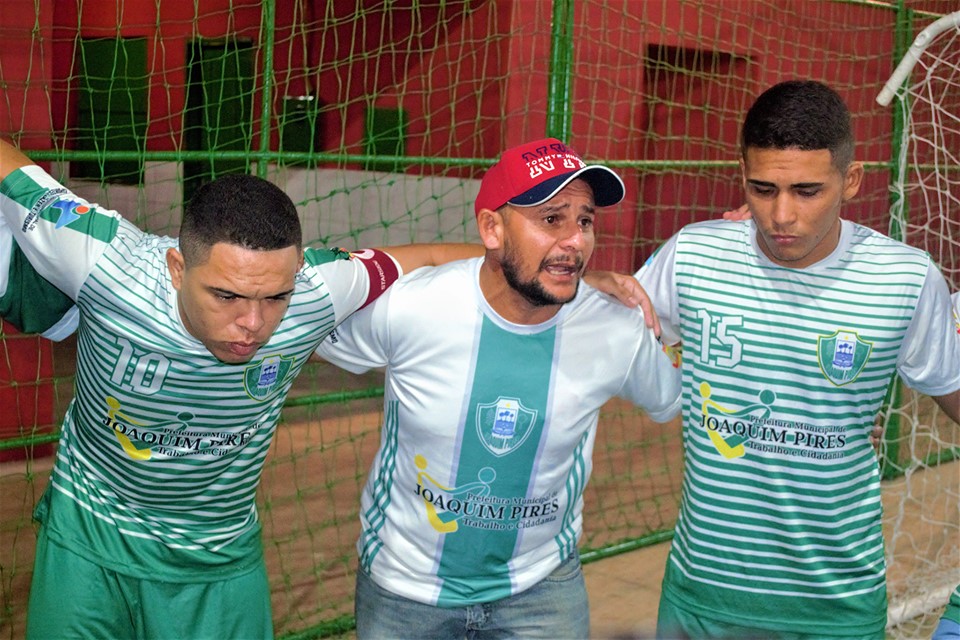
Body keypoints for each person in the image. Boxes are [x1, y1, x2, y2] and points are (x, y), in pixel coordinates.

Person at [0, 138, 498, 639]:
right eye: (226, 295)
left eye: (275, 297)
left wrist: (534, 273)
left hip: (217, 556)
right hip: (87, 538)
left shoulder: (319, 287)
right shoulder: (102, 259)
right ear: (177, 269)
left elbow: (433, 256)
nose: (253, 324)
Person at [315, 137, 683, 638]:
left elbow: (670, 398)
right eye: (551, 220)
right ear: (492, 227)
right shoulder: (415, 308)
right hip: (404, 592)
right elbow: (302, 315)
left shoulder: (613, 329)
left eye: (585, 220)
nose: (575, 240)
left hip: (541, 592)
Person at [637, 80, 960, 639]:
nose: (780, 214)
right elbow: (597, 334)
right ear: (741, 172)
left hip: (835, 607)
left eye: (807, 191)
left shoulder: (905, 279)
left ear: (850, 181)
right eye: (762, 188)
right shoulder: (693, 254)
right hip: (701, 599)